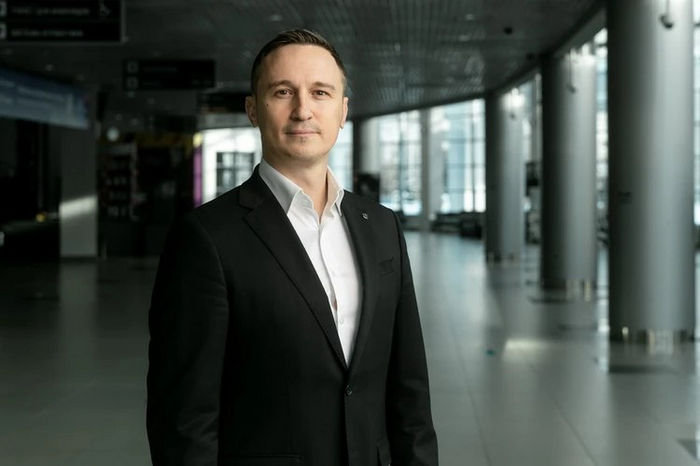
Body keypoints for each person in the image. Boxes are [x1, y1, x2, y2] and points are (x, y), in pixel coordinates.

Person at [146, 29, 438, 466]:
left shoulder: (381, 226)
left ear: (342, 111)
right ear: (253, 109)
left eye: (320, 92)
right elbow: (184, 419)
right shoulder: (206, 237)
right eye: (283, 92)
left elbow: (409, 389)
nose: (303, 109)